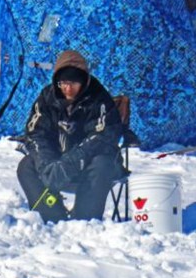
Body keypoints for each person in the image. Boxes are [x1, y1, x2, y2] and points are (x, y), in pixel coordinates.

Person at [16, 50, 124, 223]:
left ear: (84, 81)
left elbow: (105, 136)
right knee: (27, 165)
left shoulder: (99, 99)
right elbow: (35, 133)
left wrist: (73, 160)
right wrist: (47, 163)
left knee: (102, 164)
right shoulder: (47, 98)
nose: (67, 88)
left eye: (73, 83)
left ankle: (85, 220)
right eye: (63, 83)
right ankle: (52, 216)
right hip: (56, 161)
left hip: (90, 163)